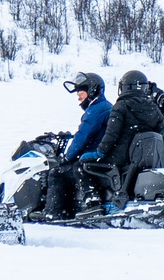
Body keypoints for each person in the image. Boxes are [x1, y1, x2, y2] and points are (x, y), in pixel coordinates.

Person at [39, 72, 111, 221]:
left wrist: (67, 157)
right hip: (100, 153)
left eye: (82, 94)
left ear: (92, 91)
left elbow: (83, 136)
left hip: (94, 156)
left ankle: (54, 213)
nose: (79, 98)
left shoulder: (96, 110)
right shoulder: (104, 107)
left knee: (56, 173)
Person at [98, 70, 164, 203]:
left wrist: (100, 152)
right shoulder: (154, 109)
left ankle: (94, 202)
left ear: (124, 87)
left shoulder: (120, 106)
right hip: (147, 160)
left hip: (120, 158)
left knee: (87, 167)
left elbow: (111, 135)